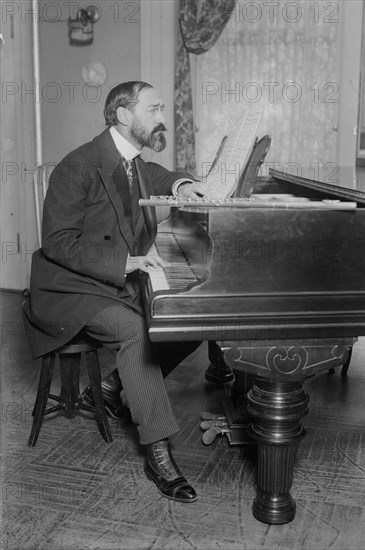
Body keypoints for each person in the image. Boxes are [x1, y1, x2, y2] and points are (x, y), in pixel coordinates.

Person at [23, 81, 210, 504]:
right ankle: (158, 454)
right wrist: (124, 264)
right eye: (154, 108)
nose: (162, 116)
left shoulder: (134, 162)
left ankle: (108, 389)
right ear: (124, 116)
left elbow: (162, 175)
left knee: (189, 325)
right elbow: (57, 242)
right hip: (71, 288)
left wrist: (182, 184)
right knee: (133, 330)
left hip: (110, 281)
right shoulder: (79, 164)